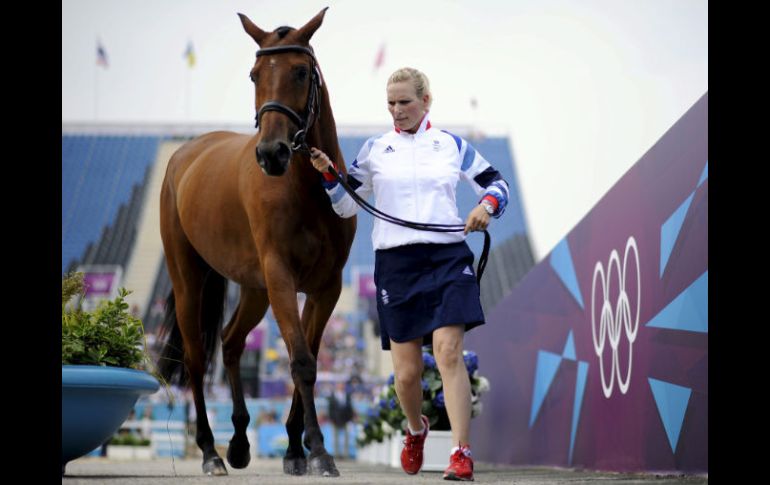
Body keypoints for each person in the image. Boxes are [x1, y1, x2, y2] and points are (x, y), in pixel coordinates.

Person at [310, 67, 509, 482]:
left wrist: (484, 207)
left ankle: (460, 453)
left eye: (405, 102)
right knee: (406, 375)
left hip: (447, 257)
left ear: (426, 101)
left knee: (448, 352)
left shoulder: (451, 145)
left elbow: (496, 184)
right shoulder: (375, 149)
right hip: (396, 265)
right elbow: (345, 205)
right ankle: (415, 430)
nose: (397, 111)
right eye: (391, 104)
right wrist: (330, 174)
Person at [328, 380, 355, 458]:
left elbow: (350, 407)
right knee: (335, 437)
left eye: (342, 385)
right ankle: (336, 454)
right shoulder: (333, 396)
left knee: (346, 437)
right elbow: (330, 408)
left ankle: (345, 454)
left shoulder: (347, 395)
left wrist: (350, 417)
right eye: (339, 385)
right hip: (335, 419)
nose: (341, 386)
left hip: (345, 419)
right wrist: (331, 418)